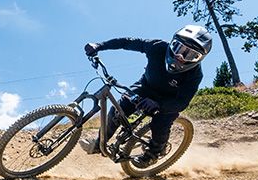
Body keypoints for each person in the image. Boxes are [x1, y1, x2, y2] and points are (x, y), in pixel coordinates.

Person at [81, 24, 213, 167]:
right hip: (145, 88)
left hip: (167, 101)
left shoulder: (195, 75)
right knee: (117, 110)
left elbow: (182, 102)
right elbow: (127, 42)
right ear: (172, 42)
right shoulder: (157, 47)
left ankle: (154, 153)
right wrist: (99, 45)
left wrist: (159, 105)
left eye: (191, 55)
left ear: (199, 59)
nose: (180, 57)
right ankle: (99, 143)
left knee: (160, 123)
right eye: (179, 48)